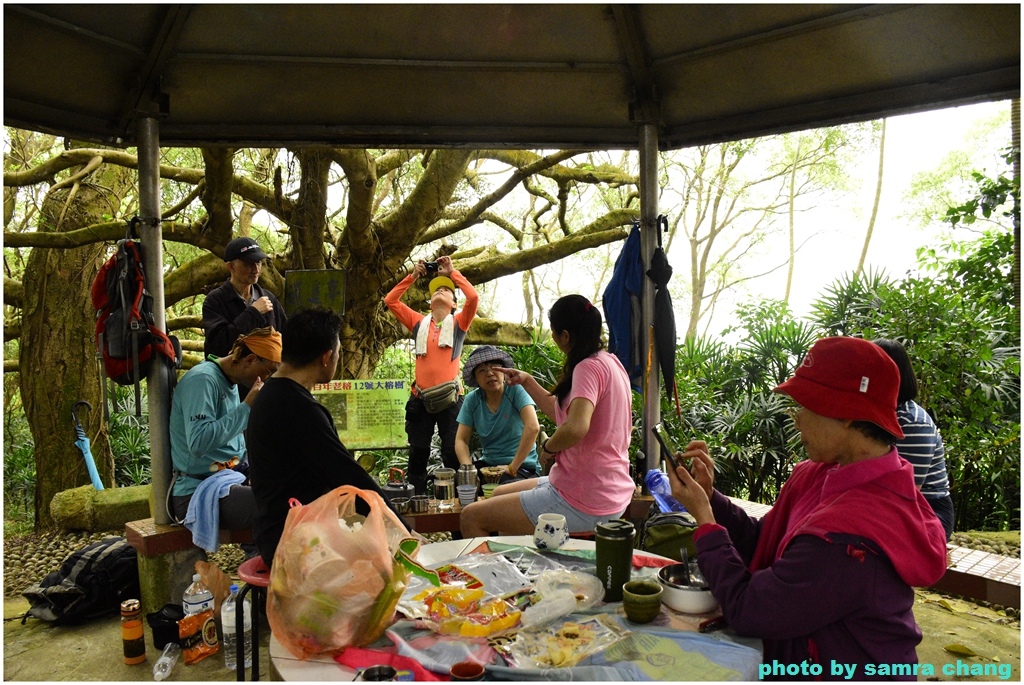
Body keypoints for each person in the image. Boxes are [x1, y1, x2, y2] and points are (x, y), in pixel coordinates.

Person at [667, 336, 948, 681]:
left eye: (804, 406)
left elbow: (749, 609)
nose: (796, 419)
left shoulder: (850, 539)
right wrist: (710, 498)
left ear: (846, 414)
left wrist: (706, 523)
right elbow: (765, 542)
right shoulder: (824, 474)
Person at [460, 295, 635, 538]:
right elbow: (562, 413)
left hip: (585, 497)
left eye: (553, 332)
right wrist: (527, 380)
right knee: (498, 494)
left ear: (565, 335)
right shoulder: (610, 362)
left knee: (471, 516)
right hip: (604, 487)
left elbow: (575, 427)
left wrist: (548, 446)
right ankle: (522, 568)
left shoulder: (587, 367)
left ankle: (495, 575)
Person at [247, 307, 406, 567]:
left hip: (279, 530)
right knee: (389, 561)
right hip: (295, 542)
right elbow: (348, 477)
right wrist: (401, 529)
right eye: (338, 353)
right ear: (326, 357)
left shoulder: (270, 394)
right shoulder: (298, 407)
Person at [169, 327, 282, 542]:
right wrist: (247, 406)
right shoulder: (202, 380)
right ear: (249, 360)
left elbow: (230, 438)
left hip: (231, 475)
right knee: (279, 506)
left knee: (295, 488)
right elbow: (199, 442)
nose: (267, 379)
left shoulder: (229, 380)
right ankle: (265, 566)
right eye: (268, 371)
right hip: (199, 490)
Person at [383, 255, 479, 495]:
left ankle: (460, 508)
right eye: (436, 290)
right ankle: (417, 506)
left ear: (454, 304)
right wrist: (413, 276)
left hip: (451, 399)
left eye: (446, 290)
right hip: (420, 398)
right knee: (418, 452)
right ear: (429, 303)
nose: (440, 291)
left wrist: (452, 273)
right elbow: (391, 300)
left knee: (451, 452)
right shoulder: (419, 323)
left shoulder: (459, 324)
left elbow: (474, 297)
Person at [874, 338, 954, 540]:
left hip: (927, 509)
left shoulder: (912, 422)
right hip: (887, 502)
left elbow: (907, 492)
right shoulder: (879, 415)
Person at [203, 236, 287, 399]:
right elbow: (219, 345)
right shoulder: (215, 301)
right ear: (231, 266)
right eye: (248, 263)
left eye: (258, 263)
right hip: (228, 391)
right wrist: (252, 313)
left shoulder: (269, 299)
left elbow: (286, 340)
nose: (255, 269)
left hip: (266, 389)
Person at [455, 345, 541, 484]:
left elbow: (533, 427)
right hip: (488, 466)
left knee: (502, 486)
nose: (489, 373)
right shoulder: (472, 400)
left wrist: (512, 467)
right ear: (475, 379)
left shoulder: (516, 391)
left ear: (504, 372)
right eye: (482, 370)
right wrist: (469, 471)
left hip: (522, 467)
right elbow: (461, 440)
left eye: (494, 367)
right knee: (459, 483)